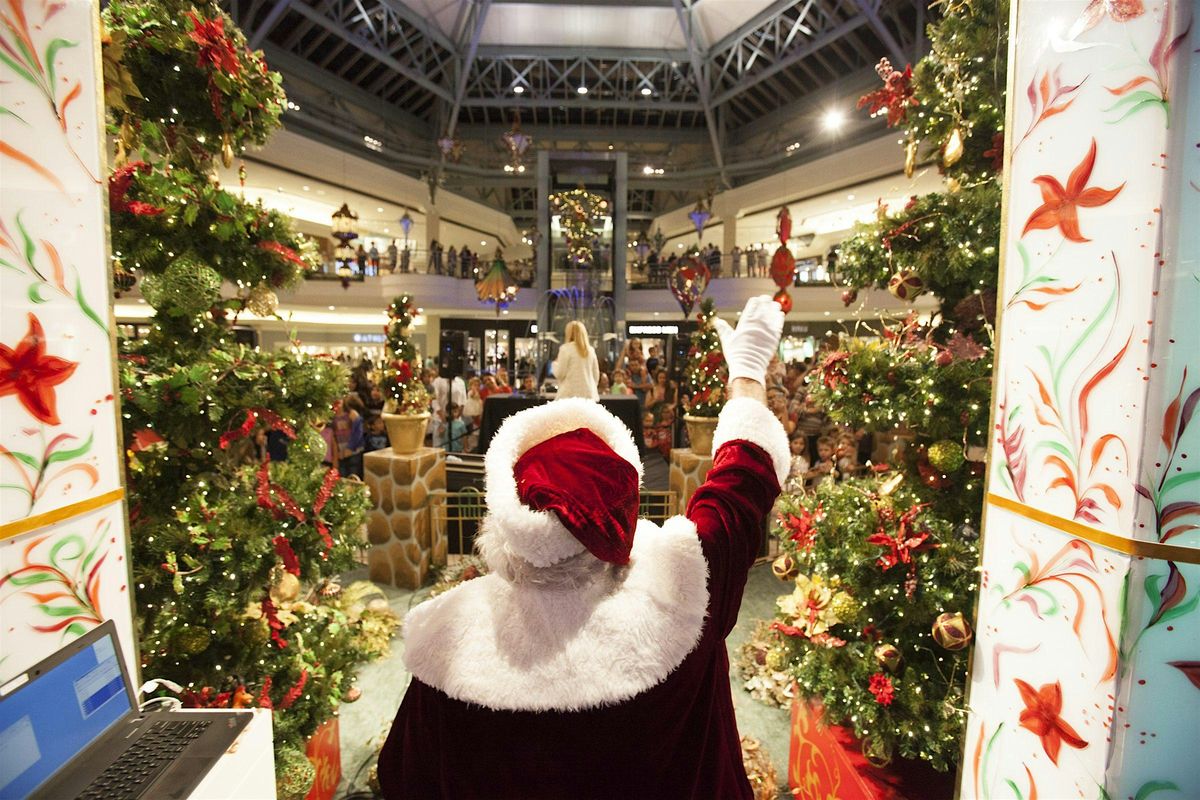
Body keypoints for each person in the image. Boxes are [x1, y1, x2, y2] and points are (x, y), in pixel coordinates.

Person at [378, 296, 788, 799]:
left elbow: (402, 774)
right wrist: (747, 372)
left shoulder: (452, 643)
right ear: (623, 507)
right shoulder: (680, 595)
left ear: (504, 518)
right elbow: (743, 478)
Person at [552, 320, 600, 401]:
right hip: (588, 395)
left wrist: (554, 364)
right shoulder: (590, 350)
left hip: (569, 395)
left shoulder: (565, 349)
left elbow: (560, 374)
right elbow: (596, 374)